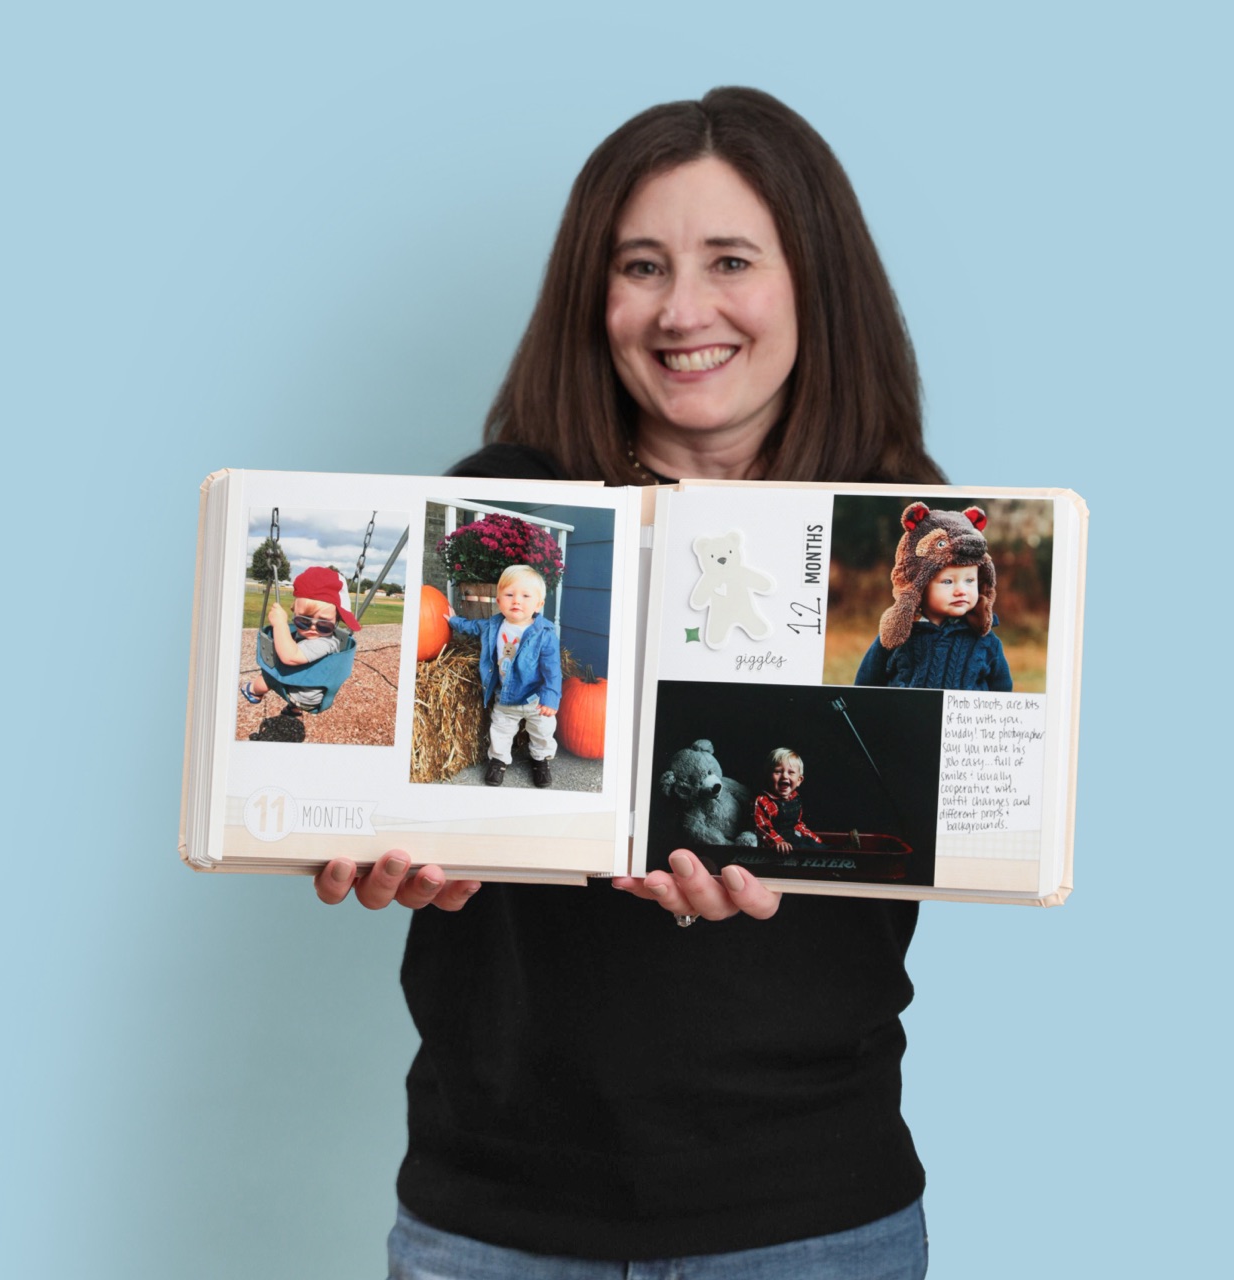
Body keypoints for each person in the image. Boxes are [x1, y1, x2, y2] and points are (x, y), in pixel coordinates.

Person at [317, 87, 945, 1278]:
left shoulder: (894, 540)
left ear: (812, 281)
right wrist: (370, 832)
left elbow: (907, 824)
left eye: (728, 262)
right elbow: (431, 770)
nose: (681, 310)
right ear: (591, 297)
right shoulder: (497, 508)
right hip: (498, 1213)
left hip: (807, 1209)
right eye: (641, 265)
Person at [854, 501, 1014, 691]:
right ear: (920, 586)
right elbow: (865, 685)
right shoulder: (897, 637)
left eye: (970, 581)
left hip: (960, 719)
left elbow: (1003, 694)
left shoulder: (986, 642)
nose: (961, 590)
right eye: (948, 582)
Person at [445, 564, 562, 788]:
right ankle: (498, 761)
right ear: (499, 601)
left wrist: (551, 697)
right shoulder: (494, 625)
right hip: (505, 696)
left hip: (535, 699)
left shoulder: (544, 634)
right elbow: (473, 627)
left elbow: (552, 669)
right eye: (509, 595)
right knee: (500, 730)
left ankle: (541, 760)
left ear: (539, 604)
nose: (516, 601)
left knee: (542, 731)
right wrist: (453, 621)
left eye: (525, 596)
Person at [241, 566, 360, 710]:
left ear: (337, 621)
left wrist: (280, 624)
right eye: (303, 621)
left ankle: (253, 691)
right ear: (293, 612)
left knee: (267, 676)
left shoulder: (325, 643)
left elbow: (290, 657)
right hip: (306, 687)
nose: (312, 628)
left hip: (304, 697)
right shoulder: (320, 635)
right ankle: (294, 710)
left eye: (324, 624)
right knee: (302, 672)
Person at [752, 747, 825, 853]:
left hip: (792, 838)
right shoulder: (763, 801)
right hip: (776, 845)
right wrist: (778, 842)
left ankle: (842, 850)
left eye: (791, 772)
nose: (784, 776)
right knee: (804, 850)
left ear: (799, 780)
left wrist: (815, 839)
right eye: (778, 771)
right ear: (768, 776)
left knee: (815, 845)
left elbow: (797, 824)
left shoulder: (795, 798)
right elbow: (762, 827)